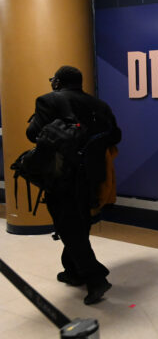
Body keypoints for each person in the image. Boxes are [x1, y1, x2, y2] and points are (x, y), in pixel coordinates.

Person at [26, 66, 121, 305]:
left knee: (67, 225)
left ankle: (96, 277)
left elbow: (32, 133)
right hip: (94, 173)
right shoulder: (100, 105)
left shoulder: (48, 101)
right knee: (80, 221)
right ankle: (73, 271)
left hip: (63, 175)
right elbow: (116, 135)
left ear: (57, 82)